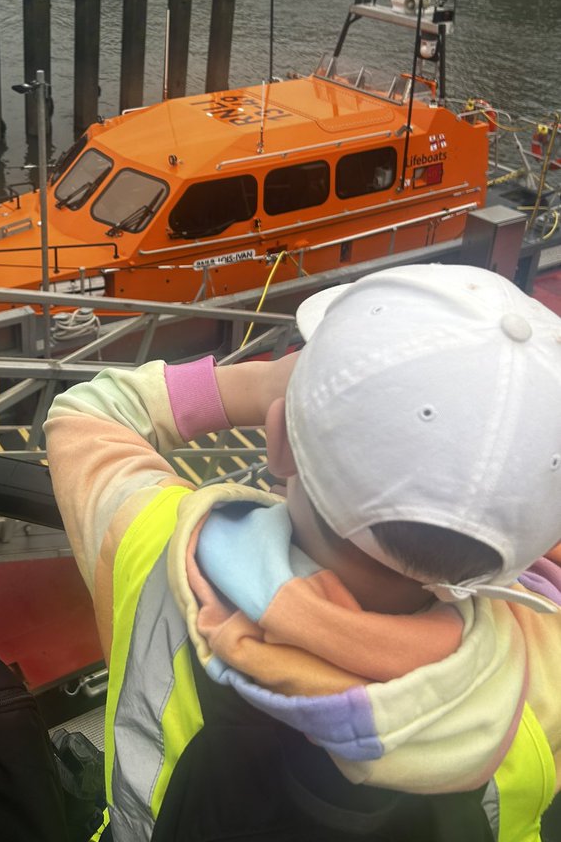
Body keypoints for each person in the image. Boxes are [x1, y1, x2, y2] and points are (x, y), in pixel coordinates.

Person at [45, 263, 561, 840]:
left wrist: (259, 387)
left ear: (280, 442)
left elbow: (89, 411)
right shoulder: (543, 671)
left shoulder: (159, 550)